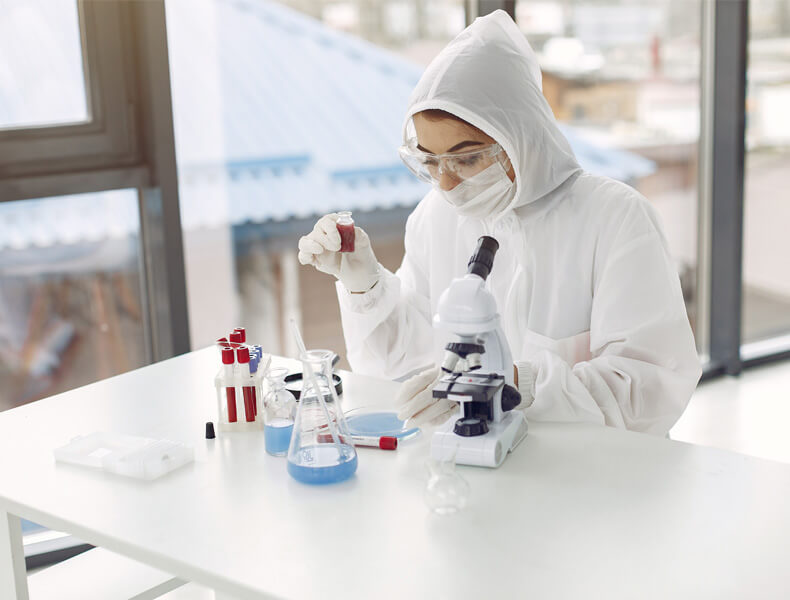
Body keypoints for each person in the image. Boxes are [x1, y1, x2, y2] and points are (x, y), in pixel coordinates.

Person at [297, 10, 701, 436]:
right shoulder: (436, 217)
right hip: (475, 461)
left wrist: (520, 384)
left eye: (467, 158)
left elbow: (649, 390)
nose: (446, 183)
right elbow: (399, 363)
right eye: (430, 162)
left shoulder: (615, 218)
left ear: (520, 138)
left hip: (595, 468)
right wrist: (365, 287)